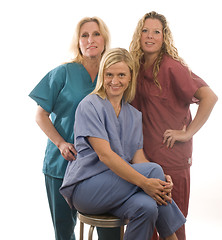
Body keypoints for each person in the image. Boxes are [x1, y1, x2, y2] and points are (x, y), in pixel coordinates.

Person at [60, 48, 186, 240]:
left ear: (130, 78)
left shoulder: (133, 115)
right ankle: (173, 239)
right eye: (109, 74)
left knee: (147, 208)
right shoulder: (90, 105)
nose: (114, 81)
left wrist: (159, 180)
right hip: (86, 188)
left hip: (119, 188)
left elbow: (138, 158)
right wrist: (148, 180)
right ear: (102, 75)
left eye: (121, 75)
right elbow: (105, 156)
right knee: (154, 171)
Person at [29, 17, 121, 240]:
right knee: (63, 233)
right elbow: (40, 115)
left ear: (105, 39)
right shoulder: (62, 73)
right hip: (61, 164)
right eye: (85, 35)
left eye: (96, 34)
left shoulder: (113, 75)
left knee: (110, 232)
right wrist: (60, 143)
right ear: (78, 42)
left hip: (101, 167)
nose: (91, 39)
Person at [129, 11, 218, 240]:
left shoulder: (171, 67)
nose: (150, 36)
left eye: (156, 32)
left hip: (172, 159)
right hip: (144, 161)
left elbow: (209, 97)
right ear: (138, 35)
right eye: (145, 31)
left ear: (164, 37)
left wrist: (187, 132)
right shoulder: (136, 67)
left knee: (173, 227)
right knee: (147, 223)